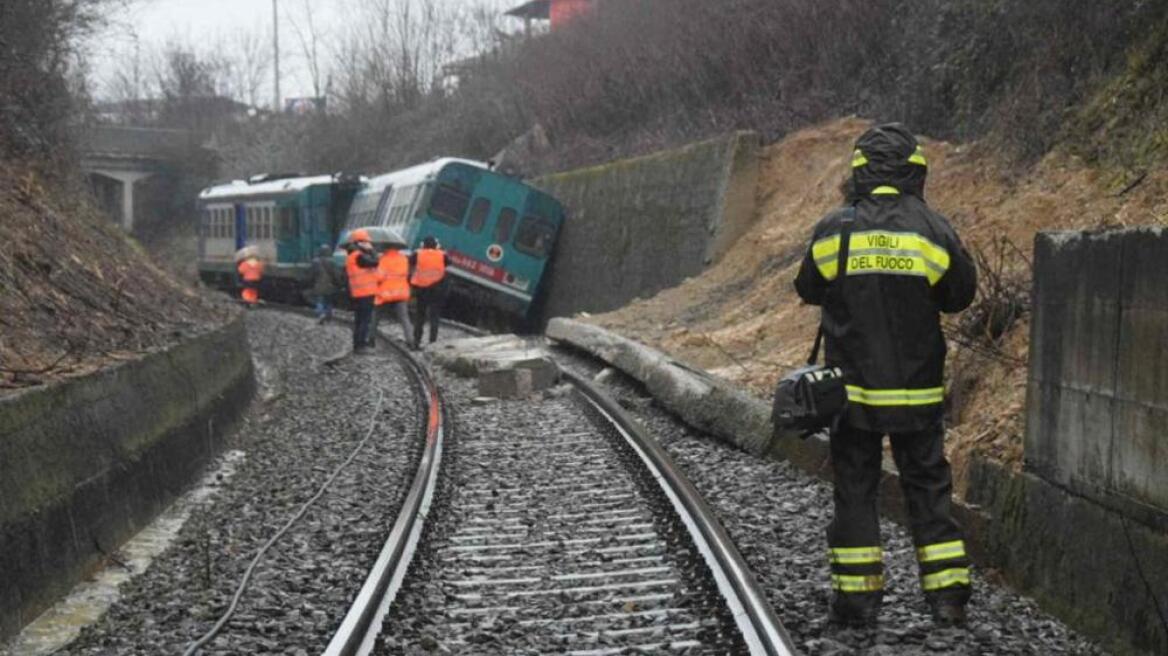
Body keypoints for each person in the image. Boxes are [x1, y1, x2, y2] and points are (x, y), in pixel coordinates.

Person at [793, 123, 977, 627]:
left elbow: (807, 286)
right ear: (916, 172)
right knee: (928, 487)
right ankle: (948, 599)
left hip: (852, 397)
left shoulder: (836, 228)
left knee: (855, 489)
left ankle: (857, 603)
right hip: (918, 394)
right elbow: (961, 296)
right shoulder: (933, 230)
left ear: (857, 174)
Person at [371, 239, 415, 348]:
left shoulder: (384, 259)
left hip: (386, 293)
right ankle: (411, 341)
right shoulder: (404, 259)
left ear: (386, 248)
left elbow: (379, 277)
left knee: (375, 316)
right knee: (404, 318)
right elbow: (407, 273)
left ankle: (370, 338)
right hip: (401, 292)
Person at [409, 236, 450, 346]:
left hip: (422, 289)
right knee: (434, 316)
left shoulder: (418, 253)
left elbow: (410, 262)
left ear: (423, 244)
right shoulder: (442, 254)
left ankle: (416, 341)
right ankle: (432, 342)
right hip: (437, 290)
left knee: (420, 316)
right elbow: (448, 263)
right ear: (436, 245)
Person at [345, 229, 380, 352]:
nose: (368, 244)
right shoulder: (358, 256)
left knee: (360, 319)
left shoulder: (352, 255)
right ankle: (361, 346)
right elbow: (375, 262)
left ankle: (358, 344)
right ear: (359, 243)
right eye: (366, 242)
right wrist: (373, 251)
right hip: (365, 292)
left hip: (358, 292)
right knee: (364, 320)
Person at [307, 244, 338, 323]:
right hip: (330, 286)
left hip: (318, 285)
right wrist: (337, 283)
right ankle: (329, 316)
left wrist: (310, 283)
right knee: (329, 301)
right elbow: (336, 275)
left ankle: (321, 314)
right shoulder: (333, 262)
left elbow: (311, 275)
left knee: (320, 301)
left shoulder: (315, 262)